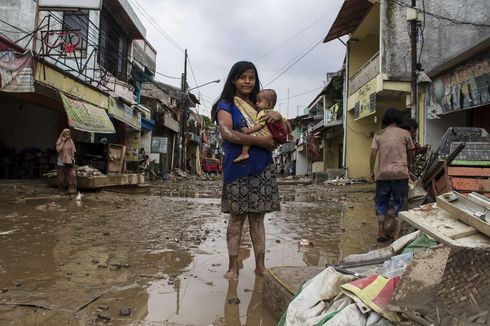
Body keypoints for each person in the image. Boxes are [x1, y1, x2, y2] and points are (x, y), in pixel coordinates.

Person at [211, 61, 281, 280]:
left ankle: (260, 266)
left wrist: (277, 117)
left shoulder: (262, 106)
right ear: (234, 79)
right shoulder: (226, 104)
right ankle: (233, 267)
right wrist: (263, 143)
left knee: (257, 220)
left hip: (262, 168)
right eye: (243, 77)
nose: (247, 81)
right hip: (237, 168)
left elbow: (277, 133)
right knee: (236, 220)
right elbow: (227, 133)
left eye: (251, 77)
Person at [370, 108, 415, 242]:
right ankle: (397, 235)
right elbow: (411, 152)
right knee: (400, 204)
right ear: (398, 119)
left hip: (383, 175)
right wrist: (411, 167)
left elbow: (373, 154)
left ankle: (381, 232)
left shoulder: (379, 134)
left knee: (381, 203)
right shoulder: (405, 133)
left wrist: (371, 171)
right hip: (400, 174)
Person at [233, 89, 292, 163]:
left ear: (269, 104)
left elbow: (260, 126)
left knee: (249, 136)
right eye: (256, 101)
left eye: (259, 101)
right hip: (273, 136)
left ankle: (244, 153)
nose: (257, 103)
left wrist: (248, 131)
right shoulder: (275, 113)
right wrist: (290, 133)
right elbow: (286, 122)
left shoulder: (263, 113)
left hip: (265, 134)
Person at [55, 128, 77, 197]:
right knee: (61, 177)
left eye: (68, 134)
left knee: (72, 175)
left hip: (69, 161)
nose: (68, 135)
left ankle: (71, 191)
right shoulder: (59, 140)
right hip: (61, 161)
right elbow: (58, 150)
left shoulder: (71, 141)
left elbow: (73, 150)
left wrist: (72, 157)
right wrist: (63, 141)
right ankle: (61, 190)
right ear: (63, 134)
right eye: (66, 134)